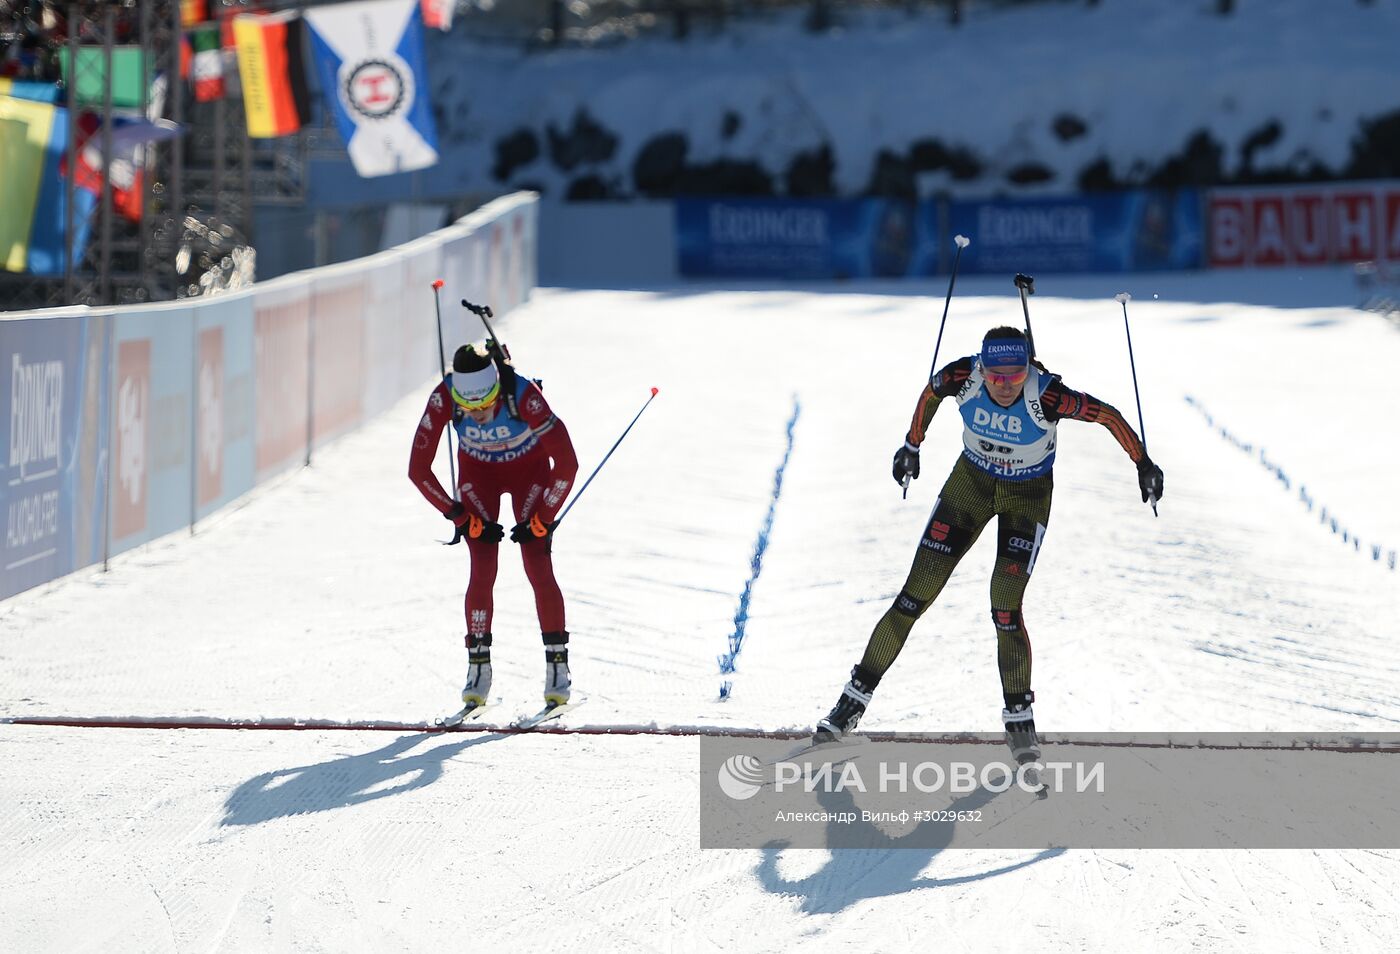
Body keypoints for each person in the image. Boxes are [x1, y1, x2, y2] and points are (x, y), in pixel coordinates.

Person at [813, 325, 1164, 762]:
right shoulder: (965, 376)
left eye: (1014, 377)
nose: (1002, 386)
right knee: (913, 596)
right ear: (982, 367)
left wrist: (1143, 462)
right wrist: (911, 444)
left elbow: (1107, 415)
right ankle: (851, 702)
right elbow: (932, 391)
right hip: (971, 486)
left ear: (1027, 371)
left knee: (1004, 606)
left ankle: (1020, 721)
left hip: (1027, 496)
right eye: (995, 376)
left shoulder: (1048, 396)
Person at [408, 341, 579, 709]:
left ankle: (557, 667)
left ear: (496, 389)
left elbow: (567, 463)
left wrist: (543, 518)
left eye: (486, 403)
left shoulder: (522, 393)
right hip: (478, 477)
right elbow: (417, 470)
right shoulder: (444, 398)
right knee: (483, 567)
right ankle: (478, 668)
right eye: (470, 408)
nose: (479, 413)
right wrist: (459, 517)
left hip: (529, 474)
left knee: (537, 561)